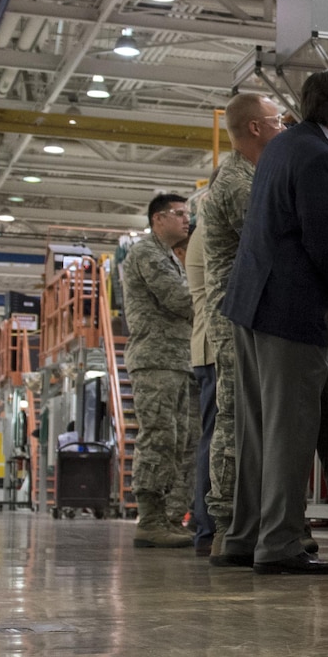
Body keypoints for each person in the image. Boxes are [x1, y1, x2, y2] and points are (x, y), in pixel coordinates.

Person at [218, 68, 328, 575]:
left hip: (253, 303)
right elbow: (323, 239)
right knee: (289, 428)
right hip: (290, 307)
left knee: (262, 425)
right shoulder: (319, 155)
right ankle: (279, 542)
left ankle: (245, 535)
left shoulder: (285, 146)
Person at [201, 92, 283, 558]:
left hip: (247, 311)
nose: (282, 129)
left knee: (251, 417)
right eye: (276, 121)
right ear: (254, 128)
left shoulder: (252, 175)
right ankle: (228, 525)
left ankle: (246, 523)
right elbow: (272, 234)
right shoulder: (237, 182)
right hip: (236, 315)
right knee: (236, 418)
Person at [122, 193, 197, 549]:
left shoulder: (170, 257)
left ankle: (169, 517)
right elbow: (180, 299)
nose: (186, 220)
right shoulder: (146, 253)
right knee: (159, 438)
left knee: (181, 442)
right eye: (179, 214)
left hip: (177, 361)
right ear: (157, 219)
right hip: (155, 360)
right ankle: (150, 519)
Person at [185, 223, 219, 556]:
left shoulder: (204, 228)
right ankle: (208, 529)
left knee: (216, 436)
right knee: (216, 438)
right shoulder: (211, 224)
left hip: (211, 346)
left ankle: (208, 527)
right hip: (213, 348)